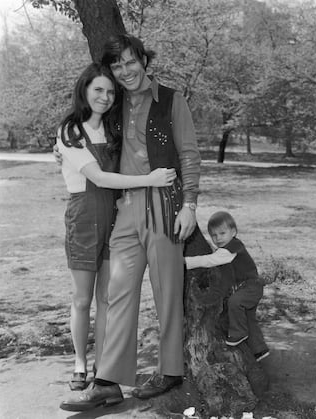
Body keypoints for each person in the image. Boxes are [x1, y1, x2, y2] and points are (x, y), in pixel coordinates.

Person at [60, 34, 201, 412]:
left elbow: (189, 154)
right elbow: (88, 129)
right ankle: (107, 382)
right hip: (126, 210)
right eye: (117, 66)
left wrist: (190, 205)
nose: (125, 71)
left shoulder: (172, 100)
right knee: (118, 293)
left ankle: (170, 370)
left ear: (143, 59)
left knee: (166, 291)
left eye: (129, 62)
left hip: (165, 206)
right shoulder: (116, 103)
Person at [185, 211, 269, 362]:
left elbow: (210, 260)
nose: (218, 238)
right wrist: (207, 297)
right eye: (214, 235)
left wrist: (186, 262)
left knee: (235, 302)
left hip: (252, 286)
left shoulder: (233, 247)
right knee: (249, 318)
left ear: (234, 232)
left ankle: (238, 333)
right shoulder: (225, 254)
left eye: (222, 233)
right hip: (244, 288)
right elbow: (224, 281)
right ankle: (259, 350)